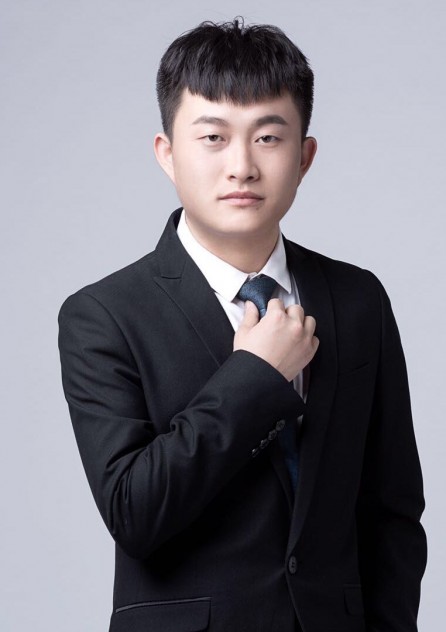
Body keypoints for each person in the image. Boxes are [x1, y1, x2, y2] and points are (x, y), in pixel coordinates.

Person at [57, 18, 427, 632]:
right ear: (167, 154)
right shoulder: (103, 315)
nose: (242, 166)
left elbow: (392, 512)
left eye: (268, 137)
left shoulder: (358, 299)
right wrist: (254, 375)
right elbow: (133, 512)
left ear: (304, 156)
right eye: (213, 137)